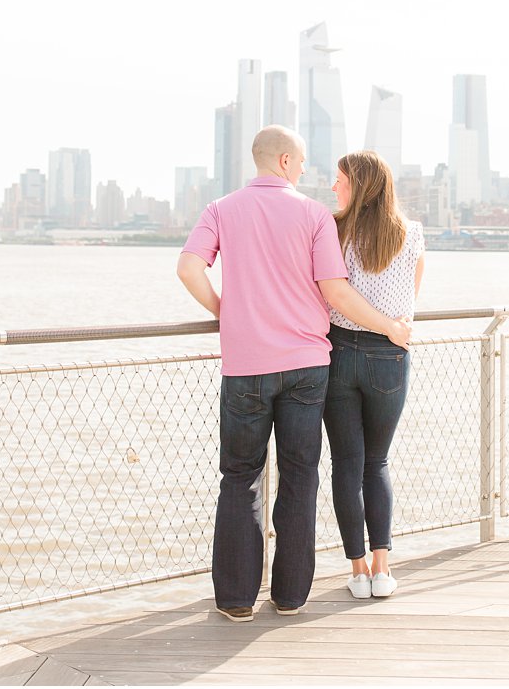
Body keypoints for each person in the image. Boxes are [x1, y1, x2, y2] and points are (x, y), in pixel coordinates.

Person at [177, 126, 412, 623]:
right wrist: (390, 327)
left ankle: (237, 600)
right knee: (301, 476)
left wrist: (228, 313)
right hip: (308, 365)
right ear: (285, 161)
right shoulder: (312, 216)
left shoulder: (220, 208)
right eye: (302, 162)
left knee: (240, 477)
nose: (307, 171)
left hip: (246, 366)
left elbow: (189, 270)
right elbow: (335, 289)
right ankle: (290, 597)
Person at [322, 150, 425, 600]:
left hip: (339, 352)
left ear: (358, 184)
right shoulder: (412, 234)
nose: (333, 187)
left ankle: (357, 570)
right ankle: (384, 570)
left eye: (339, 179)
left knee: (347, 464)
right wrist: (387, 326)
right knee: (376, 462)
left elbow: (330, 292)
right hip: (390, 355)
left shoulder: (334, 230)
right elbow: (410, 299)